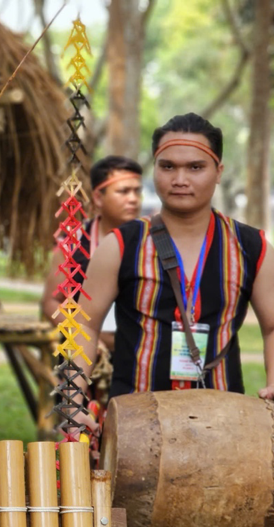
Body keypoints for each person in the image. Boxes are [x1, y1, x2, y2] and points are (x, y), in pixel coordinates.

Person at [75, 113, 274, 431]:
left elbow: (272, 327)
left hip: (225, 428)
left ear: (218, 171)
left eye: (195, 167)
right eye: (168, 166)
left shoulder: (253, 247)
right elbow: (83, 324)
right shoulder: (121, 245)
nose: (180, 179)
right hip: (134, 427)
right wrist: (72, 398)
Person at [40, 156, 142, 402]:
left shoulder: (152, 243)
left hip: (139, 361)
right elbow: (52, 304)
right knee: (81, 434)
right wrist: (85, 336)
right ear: (98, 197)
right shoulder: (72, 244)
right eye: (123, 191)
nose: (133, 199)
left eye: (137, 191)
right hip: (84, 360)